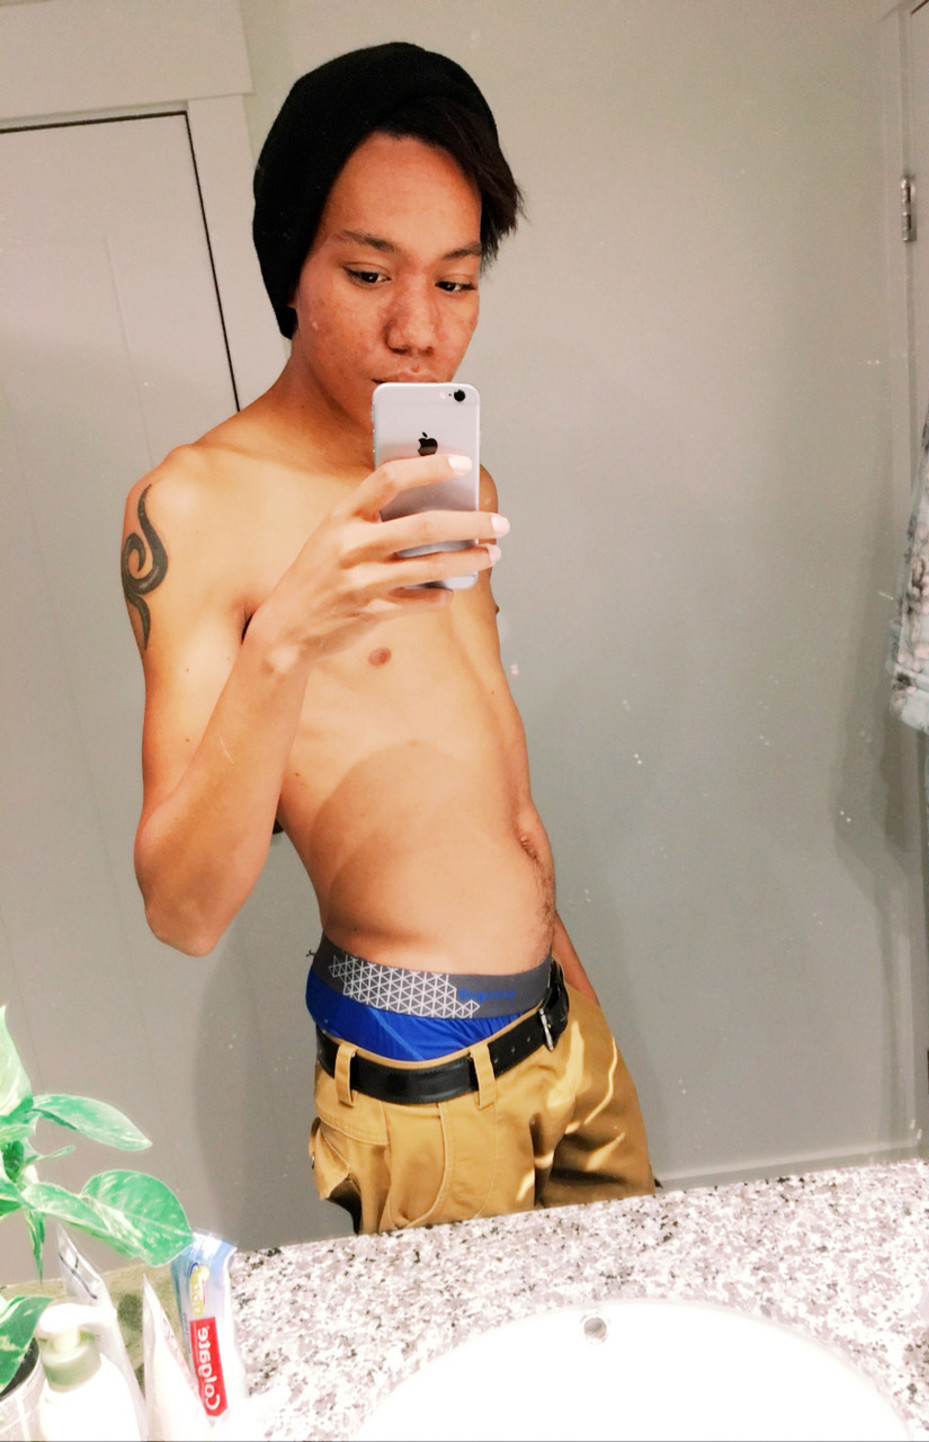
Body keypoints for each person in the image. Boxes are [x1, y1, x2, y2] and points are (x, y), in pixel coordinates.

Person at [121, 41, 653, 1234]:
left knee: (641, 1322)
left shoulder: (447, 478)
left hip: (565, 1032)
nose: (420, 328)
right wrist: (288, 633)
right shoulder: (195, 506)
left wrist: (582, 1006)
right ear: (293, 269)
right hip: (428, 1086)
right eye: (370, 273)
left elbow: (492, 796)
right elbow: (181, 909)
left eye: (456, 281)